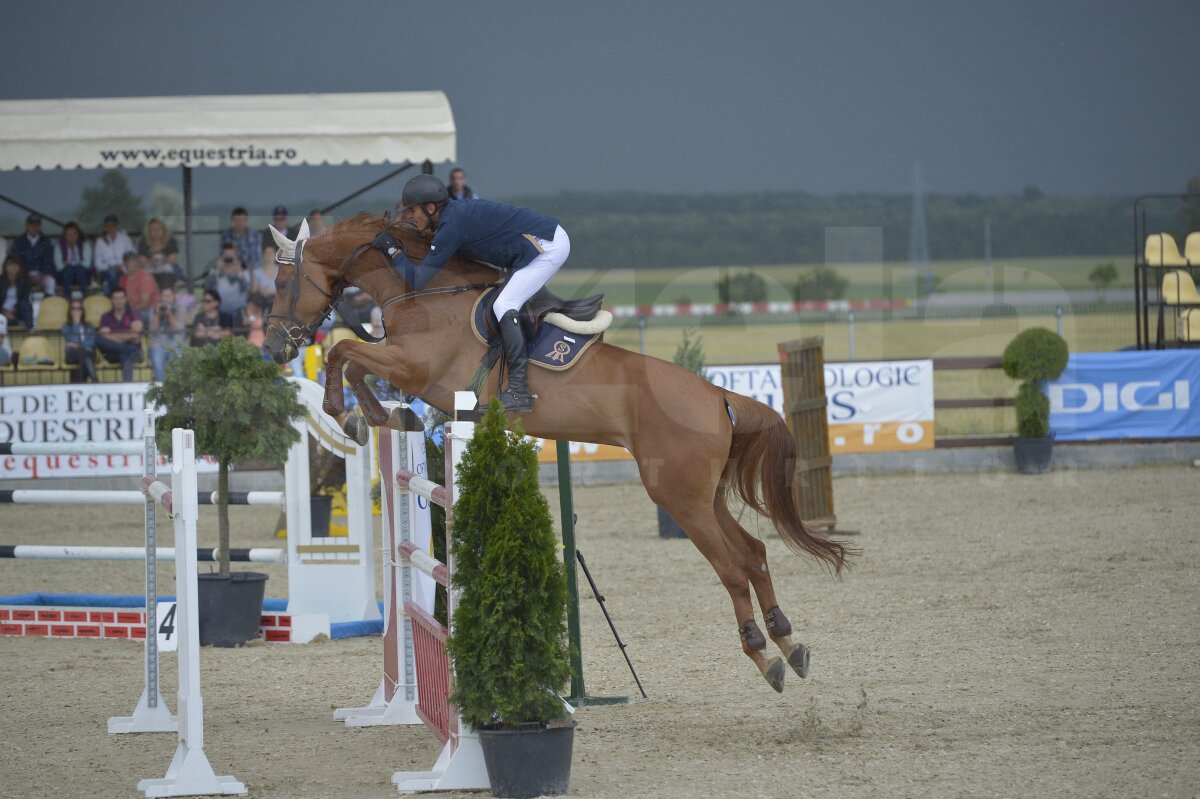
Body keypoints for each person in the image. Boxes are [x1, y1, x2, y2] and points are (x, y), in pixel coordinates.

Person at [372, 174, 570, 413]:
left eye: (413, 211)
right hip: (535, 242)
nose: (411, 217)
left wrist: (392, 249)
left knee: (504, 304)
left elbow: (417, 280)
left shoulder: (452, 225)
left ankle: (519, 391)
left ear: (431, 208)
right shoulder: (451, 218)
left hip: (547, 246)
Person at [96, 287, 144, 381]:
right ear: (112, 300)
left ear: (126, 299)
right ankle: (126, 350)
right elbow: (104, 337)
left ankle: (127, 386)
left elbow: (135, 335)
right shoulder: (106, 316)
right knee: (97, 339)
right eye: (116, 298)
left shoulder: (134, 314)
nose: (119, 301)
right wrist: (127, 335)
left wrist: (112, 337)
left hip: (135, 353)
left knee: (124, 355)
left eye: (121, 298)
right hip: (115, 353)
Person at [8, 213, 57, 294]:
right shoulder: (18, 242)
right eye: (31, 224)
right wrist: (25, 275)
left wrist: (42, 275)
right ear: (26, 225)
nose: (34, 227)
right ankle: (23, 305)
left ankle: (47, 304)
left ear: (40, 226)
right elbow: (16, 261)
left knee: (51, 282)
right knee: (17, 285)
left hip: (41, 275)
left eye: (37, 224)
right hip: (23, 275)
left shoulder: (46, 241)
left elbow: (49, 261)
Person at [148, 286, 187, 379]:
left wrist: (169, 314)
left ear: (174, 296)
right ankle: (161, 388)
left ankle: (175, 387)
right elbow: (153, 330)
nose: (166, 298)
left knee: (177, 360)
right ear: (160, 297)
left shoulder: (180, 308)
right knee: (157, 362)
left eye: (169, 295)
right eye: (164, 296)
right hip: (159, 343)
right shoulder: (154, 308)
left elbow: (178, 328)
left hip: (176, 342)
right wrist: (157, 314)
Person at [204, 244, 249, 318]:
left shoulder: (244, 272)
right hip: (220, 314)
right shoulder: (215, 273)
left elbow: (245, 289)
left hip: (239, 314)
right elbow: (208, 289)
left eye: (231, 255)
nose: (229, 258)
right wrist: (217, 270)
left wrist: (238, 271)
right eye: (226, 255)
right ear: (221, 257)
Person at [137, 218, 182, 289]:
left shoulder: (170, 240)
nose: (156, 232)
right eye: (153, 230)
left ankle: (167, 296)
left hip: (166, 270)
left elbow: (173, 258)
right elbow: (141, 259)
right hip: (150, 269)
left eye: (159, 229)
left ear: (164, 230)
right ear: (149, 231)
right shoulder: (144, 241)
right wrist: (150, 261)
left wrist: (163, 260)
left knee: (166, 279)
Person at [61, 300, 98, 382]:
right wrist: (76, 324)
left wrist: (77, 345)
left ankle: (81, 383)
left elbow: (91, 342)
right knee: (85, 354)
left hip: (87, 353)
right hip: (72, 354)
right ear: (70, 311)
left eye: (79, 308)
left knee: (84, 354)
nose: (76, 310)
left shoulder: (89, 325)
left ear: (82, 311)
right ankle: (95, 380)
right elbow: (73, 339)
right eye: (74, 308)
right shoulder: (66, 326)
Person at [93, 214, 134, 287]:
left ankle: (115, 295)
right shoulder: (100, 241)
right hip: (107, 271)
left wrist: (124, 265)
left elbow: (132, 255)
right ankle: (118, 294)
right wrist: (111, 266)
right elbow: (98, 264)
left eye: (113, 225)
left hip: (124, 269)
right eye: (108, 226)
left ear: (117, 226)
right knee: (111, 274)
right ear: (105, 227)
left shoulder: (125, 239)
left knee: (108, 284)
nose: (111, 228)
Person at [55, 221, 93, 298]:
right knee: (69, 270)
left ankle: (85, 296)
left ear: (78, 234)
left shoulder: (85, 244)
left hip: (83, 275)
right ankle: (66, 297)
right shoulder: (59, 246)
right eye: (68, 235)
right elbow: (59, 267)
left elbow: (87, 264)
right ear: (65, 236)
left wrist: (69, 263)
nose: (71, 237)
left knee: (78, 269)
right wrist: (75, 264)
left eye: (74, 234)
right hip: (65, 277)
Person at [0, 255, 34, 331]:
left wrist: (14, 311)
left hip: (17, 311)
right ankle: (16, 322)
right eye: (11, 264)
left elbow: (25, 300)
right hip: (2, 312)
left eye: (16, 264)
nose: (13, 267)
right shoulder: (1, 281)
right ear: (5, 267)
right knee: (6, 320)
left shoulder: (24, 282)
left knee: (24, 304)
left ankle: (30, 330)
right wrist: (4, 312)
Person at [124, 255, 161, 320]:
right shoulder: (128, 278)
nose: (129, 264)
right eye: (127, 261)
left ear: (137, 263)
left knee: (127, 319)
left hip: (150, 310)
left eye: (132, 261)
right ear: (124, 264)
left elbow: (144, 304)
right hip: (137, 309)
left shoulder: (145, 277)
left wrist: (129, 312)